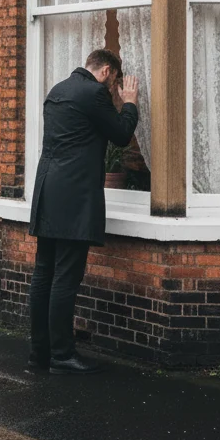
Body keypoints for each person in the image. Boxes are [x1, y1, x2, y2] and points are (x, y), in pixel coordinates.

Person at [28, 48, 139, 375]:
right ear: (106, 71)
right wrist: (129, 103)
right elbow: (121, 135)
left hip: (46, 190)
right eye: (114, 81)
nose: (114, 87)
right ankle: (62, 355)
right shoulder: (93, 93)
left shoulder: (57, 90)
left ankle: (39, 354)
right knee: (65, 276)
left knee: (43, 274)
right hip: (73, 197)